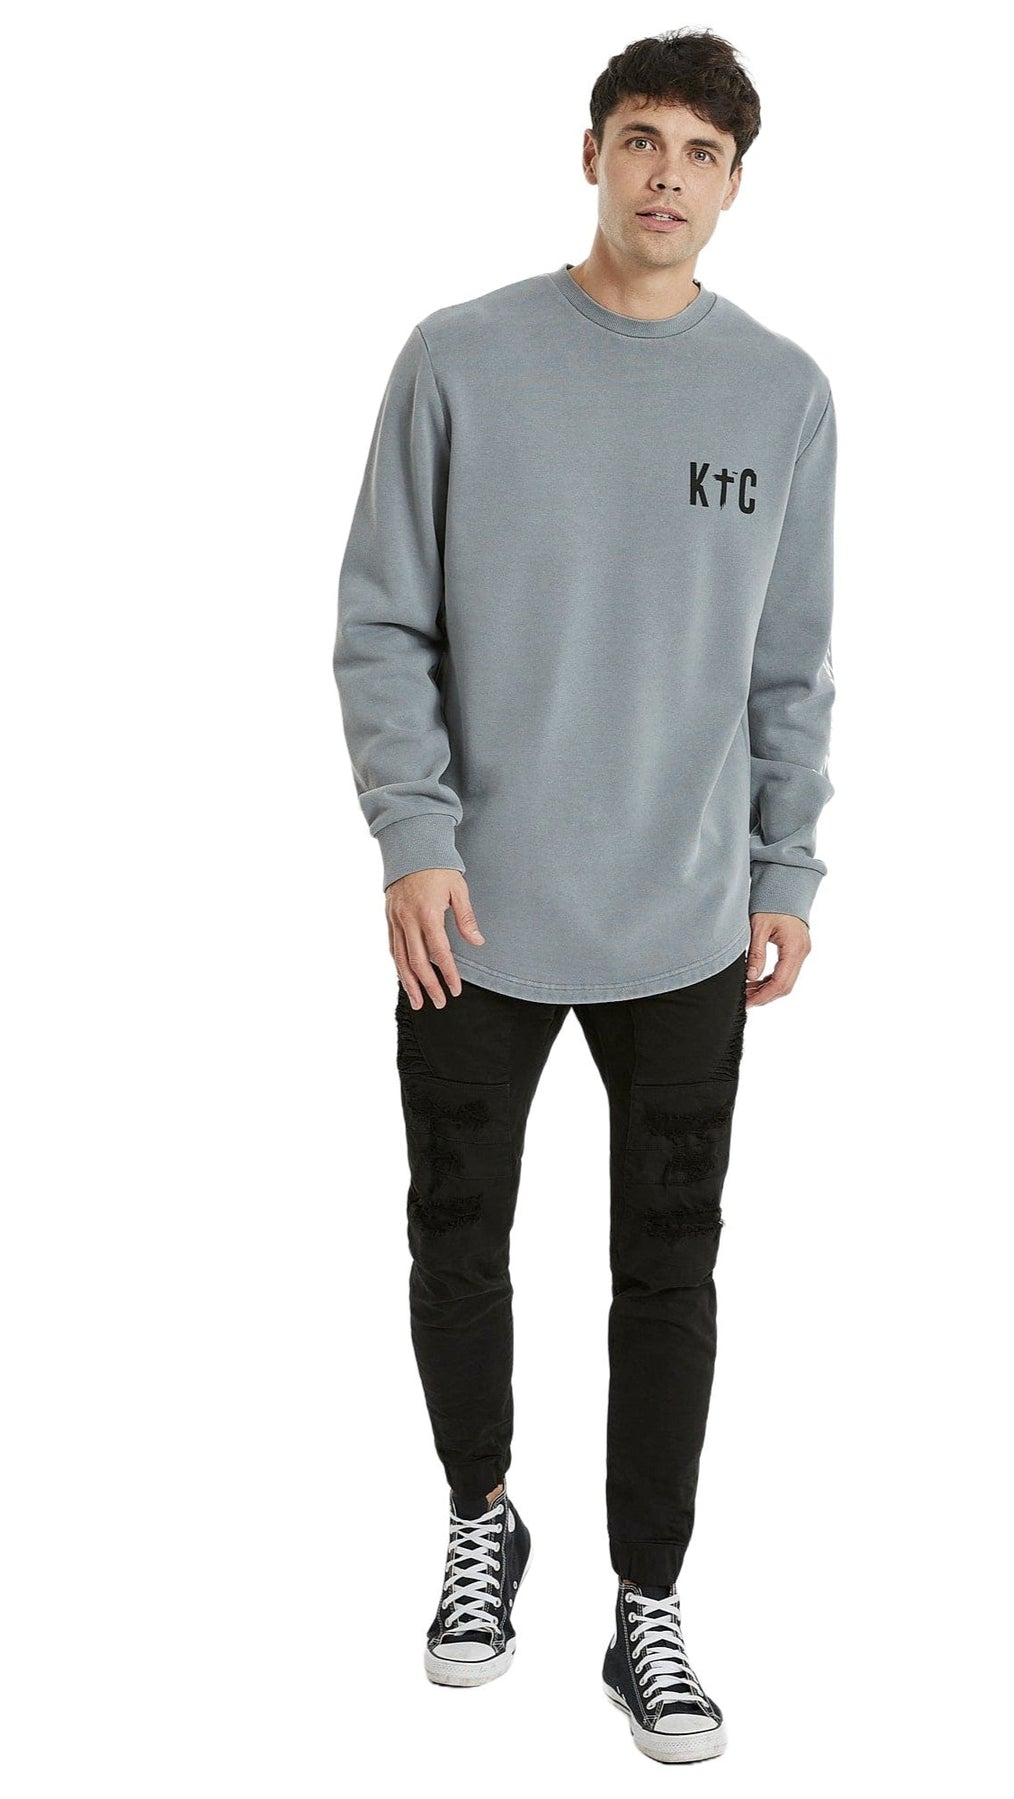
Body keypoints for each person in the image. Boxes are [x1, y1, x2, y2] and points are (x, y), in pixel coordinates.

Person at [331, 28, 837, 1765]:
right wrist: (413, 833)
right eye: (641, 138)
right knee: (455, 1240)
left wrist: (785, 863)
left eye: (702, 150)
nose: (666, 174)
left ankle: (648, 1604)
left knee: (668, 1272)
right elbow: (380, 620)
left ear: (737, 183)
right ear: (592, 155)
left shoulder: (783, 395)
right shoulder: (460, 359)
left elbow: (791, 666)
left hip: (686, 919)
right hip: (472, 916)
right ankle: (483, 1516)